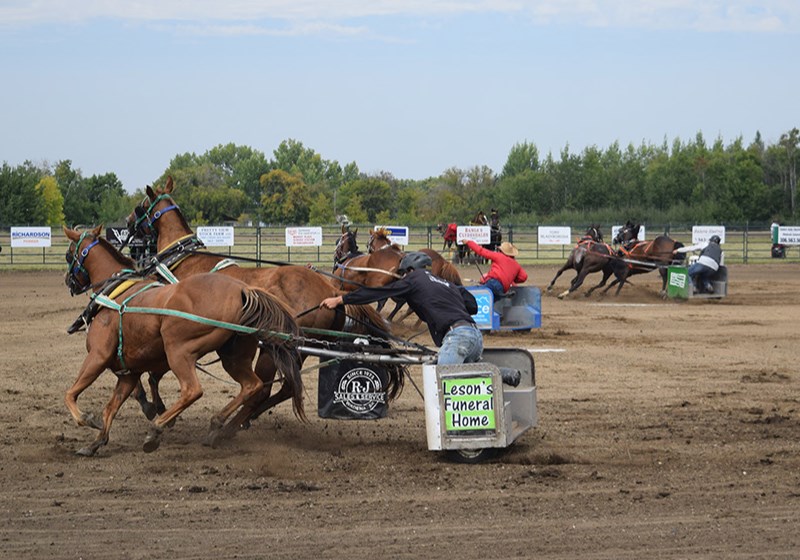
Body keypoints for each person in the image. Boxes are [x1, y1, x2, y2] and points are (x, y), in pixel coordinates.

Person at [320, 251, 483, 365]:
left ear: (410, 270)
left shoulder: (414, 278)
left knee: (444, 383)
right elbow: (472, 305)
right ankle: (506, 375)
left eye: (403, 273)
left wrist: (341, 299)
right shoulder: (448, 284)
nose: (402, 277)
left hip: (457, 339)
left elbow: (378, 292)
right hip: (475, 338)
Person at [464, 239, 528, 299]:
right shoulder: (516, 265)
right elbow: (523, 277)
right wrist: (511, 277)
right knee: (492, 300)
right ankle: (502, 295)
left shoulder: (498, 256)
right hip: (503, 288)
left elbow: (482, 251)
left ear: (502, 251)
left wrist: (469, 242)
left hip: (493, 282)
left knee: (480, 295)